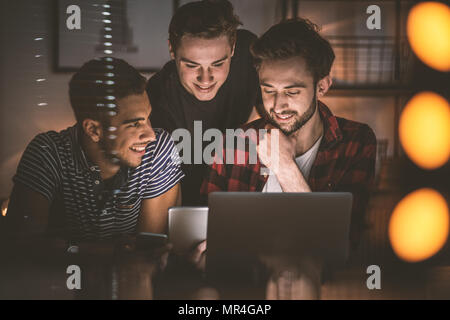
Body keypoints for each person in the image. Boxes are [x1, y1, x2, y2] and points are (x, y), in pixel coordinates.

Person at [200, 18, 377, 299]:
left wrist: (285, 166)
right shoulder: (235, 142)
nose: (277, 105)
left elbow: (340, 251)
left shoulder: (356, 141)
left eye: (292, 92)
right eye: (268, 90)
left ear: (322, 86)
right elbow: (205, 229)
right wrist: (202, 252)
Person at [3, 57, 184, 247]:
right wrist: (116, 250)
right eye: (134, 124)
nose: (150, 135)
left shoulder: (158, 150)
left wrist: (69, 248)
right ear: (93, 130)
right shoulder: (47, 152)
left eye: (148, 118)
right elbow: (24, 249)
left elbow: (148, 253)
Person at [146, 0, 260, 205]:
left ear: (233, 47)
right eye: (192, 65)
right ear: (172, 50)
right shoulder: (157, 96)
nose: (205, 79)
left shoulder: (250, 56)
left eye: (217, 64)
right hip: (183, 207)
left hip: (241, 201)